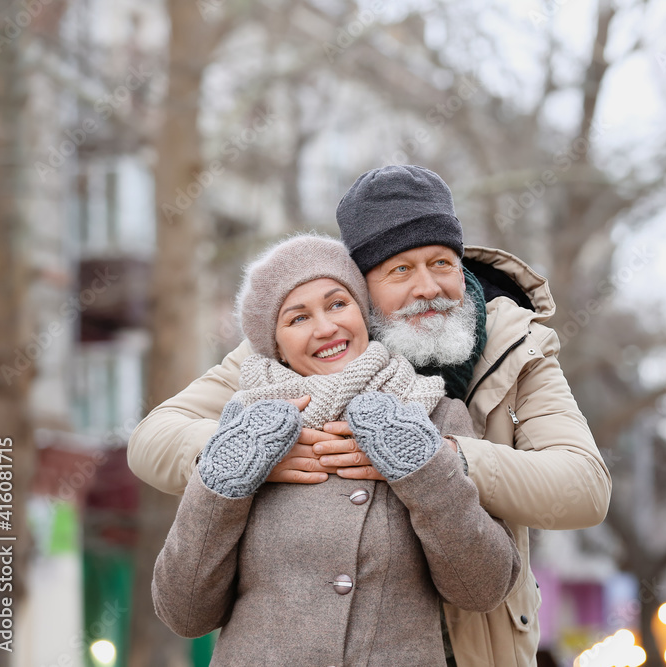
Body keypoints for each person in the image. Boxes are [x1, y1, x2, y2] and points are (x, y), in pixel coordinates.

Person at [129, 165, 612, 667]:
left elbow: (583, 487)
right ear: (361, 288)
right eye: (399, 269)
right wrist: (254, 457)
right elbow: (154, 438)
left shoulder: (516, 342)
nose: (428, 287)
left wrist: (440, 458)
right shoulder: (288, 353)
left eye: (441, 262)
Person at [152, 234, 520, 666]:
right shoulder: (243, 425)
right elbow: (185, 613)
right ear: (277, 346)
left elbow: (483, 588)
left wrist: (424, 467)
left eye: (337, 304)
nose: (326, 327)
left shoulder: (435, 414)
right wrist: (222, 478)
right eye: (298, 318)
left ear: (362, 313)